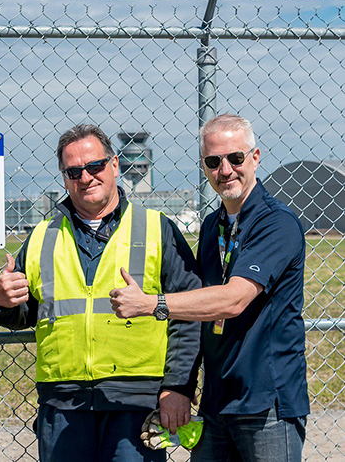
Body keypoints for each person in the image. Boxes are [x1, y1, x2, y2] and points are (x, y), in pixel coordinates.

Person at [0, 124, 202, 462]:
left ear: (115, 165)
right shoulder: (44, 235)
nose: (85, 177)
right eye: (73, 171)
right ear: (64, 176)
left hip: (135, 403)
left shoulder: (157, 228)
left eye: (95, 166)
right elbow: (25, 311)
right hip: (63, 403)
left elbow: (189, 314)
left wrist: (178, 387)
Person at [110, 113, 309, 461]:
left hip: (267, 405)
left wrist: (150, 304)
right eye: (214, 161)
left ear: (255, 157)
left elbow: (233, 300)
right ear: (204, 166)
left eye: (236, 158)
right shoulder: (211, 227)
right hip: (217, 404)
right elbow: (198, 308)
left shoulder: (277, 223)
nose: (226, 170)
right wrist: (181, 386)